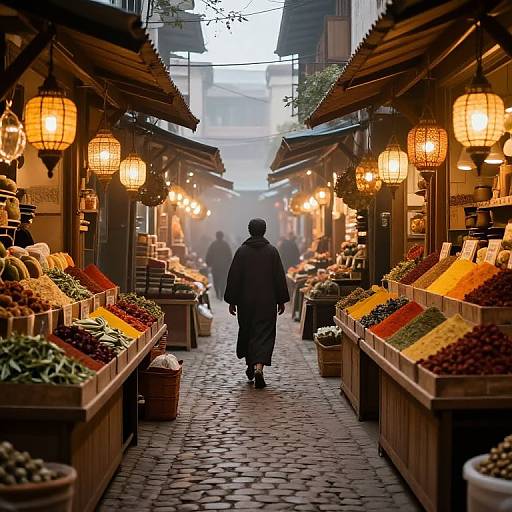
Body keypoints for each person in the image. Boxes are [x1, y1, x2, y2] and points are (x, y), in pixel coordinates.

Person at [224, 218, 290, 389]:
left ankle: (250, 365)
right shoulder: (272, 252)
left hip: (246, 302)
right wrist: (281, 300)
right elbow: (279, 278)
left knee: (248, 331)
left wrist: (232, 301)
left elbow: (234, 278)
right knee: (264, 333)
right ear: (264, 230)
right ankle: (258, 366)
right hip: (267, 302)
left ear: (249, 230)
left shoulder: (242, 252)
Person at [205, 231, 232, 300]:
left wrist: (208, 264)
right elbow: (229, 256)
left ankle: (217, 293)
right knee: (223, 280)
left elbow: (209, 255)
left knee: (216, 280)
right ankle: (222, 294)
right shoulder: (226, 245)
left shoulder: (213, 245)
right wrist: (229, 264)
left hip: (215, 266)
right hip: (224, 267)